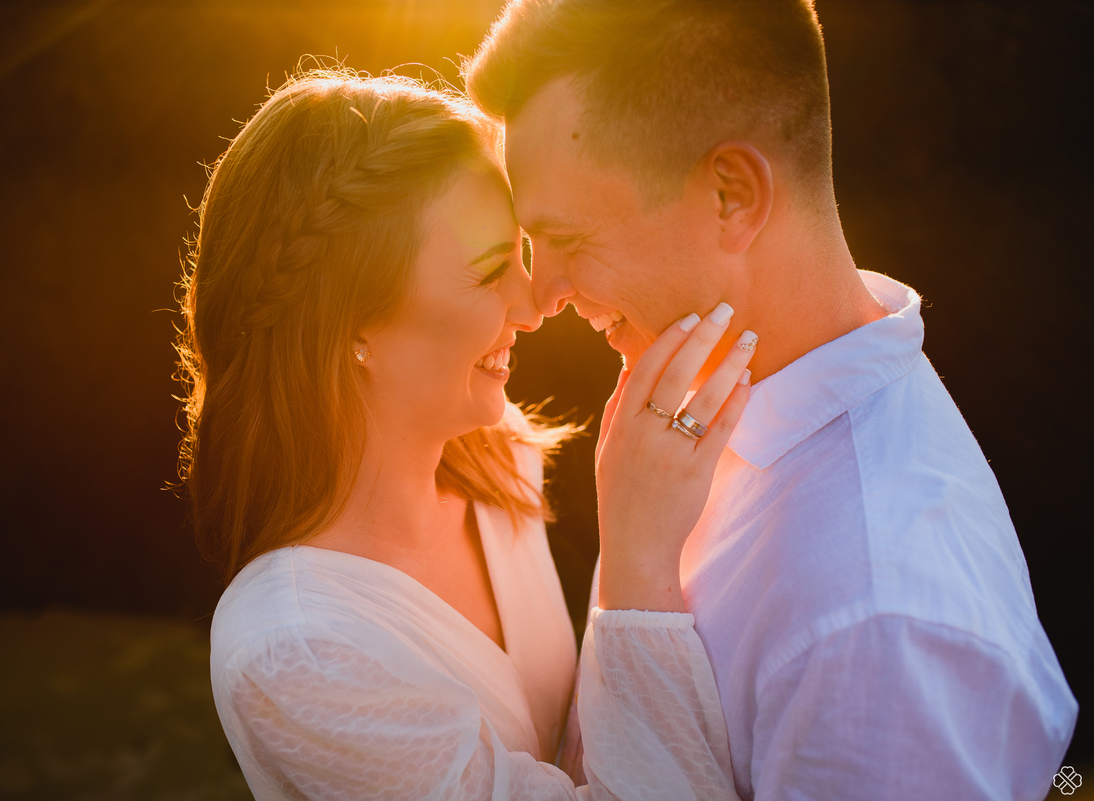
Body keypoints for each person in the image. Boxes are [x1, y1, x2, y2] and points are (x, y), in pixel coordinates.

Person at [465, 0, 1078, 798]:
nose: (540, 294)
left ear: (732, 195)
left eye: (569, 241)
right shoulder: (701, 423)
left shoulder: (876, 624)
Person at [177, 71, 753, 799]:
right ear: (352, 326)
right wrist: (639, 561)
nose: (536, 302)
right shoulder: (299, 651)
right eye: (489, 274)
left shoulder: (499, 458)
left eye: (521, 255)